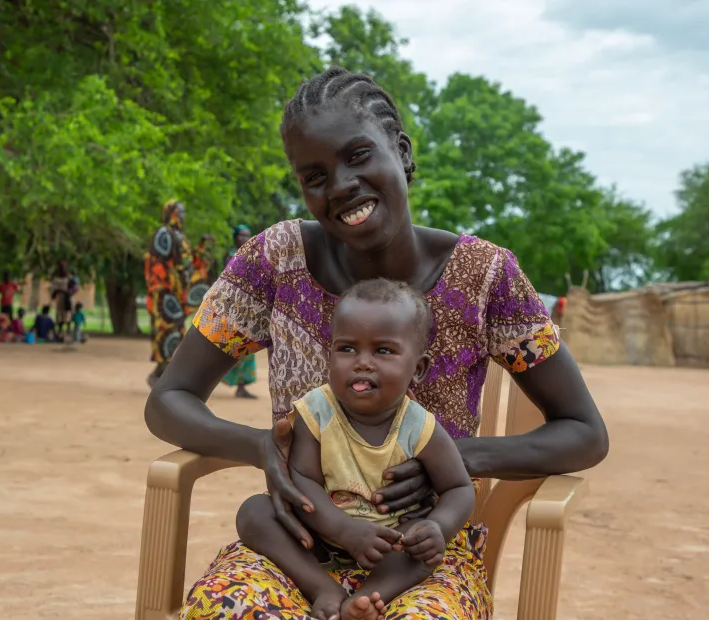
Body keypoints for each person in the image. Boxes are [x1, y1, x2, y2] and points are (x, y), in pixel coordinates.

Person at [145, 67, 608, 619]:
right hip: (300, 544)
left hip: (422, 552)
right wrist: (262, 448)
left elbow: (585, 432)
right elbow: (167, 400)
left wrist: (456, 459)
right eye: (314, 176)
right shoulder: (273, 262)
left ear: (403, 153)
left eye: (359, 156)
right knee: (231, 610)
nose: (340, 185)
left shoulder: (485, 276)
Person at [237, 279, 475, 619]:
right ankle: (323, 587)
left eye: (383, 351)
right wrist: (344, 531)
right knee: (254, 512)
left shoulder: (419, 426)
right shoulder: (316, 411)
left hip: (389, 546)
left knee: (419, 549)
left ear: (417, 369)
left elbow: (459, 487)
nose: (362, 362)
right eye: (347, 349)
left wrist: (438, 525)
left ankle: (364, 599)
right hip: (318, 538)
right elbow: (302, 480)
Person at [143, 199, 193, 388]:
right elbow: (156, 264)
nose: (182, 216)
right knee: (167, 330)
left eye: (183, 212)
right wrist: (166, 287)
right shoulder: (164, 233)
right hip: (165, 294)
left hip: (176, 295)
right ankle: (159, 376)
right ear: (171, 213)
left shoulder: (178, 235)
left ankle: (161, 376)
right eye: (179, 212)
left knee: (176, 331)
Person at [219, 224, 259, 399]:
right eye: (241, 235)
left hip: (248, 308)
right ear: (235, 238)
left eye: (248, 235)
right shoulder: (231, 256)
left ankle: (242, 386)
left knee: (246, 347)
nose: (245, 238)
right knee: (230, 346)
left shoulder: (253, 256)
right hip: (233, 307)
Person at [51, 260, 73, 337]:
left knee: (67, 313)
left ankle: (68, 330)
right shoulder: (56, 278)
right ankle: (60, 331)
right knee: (60, 313)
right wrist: (54, 294)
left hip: (67, 297)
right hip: (59, 297)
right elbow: (53, 288)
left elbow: (73, 287)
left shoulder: (69, 277)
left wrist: (69, 292)